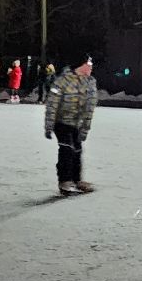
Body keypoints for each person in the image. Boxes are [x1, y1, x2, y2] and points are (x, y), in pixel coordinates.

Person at [43, 57, 98, 197]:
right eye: (89, 64)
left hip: (76, 123)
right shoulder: (62, 81)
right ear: (81, 65)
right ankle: (65, 182)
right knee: (67, 149)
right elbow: (52, 104)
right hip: (61, 122)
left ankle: (76, 180)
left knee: (77, 150)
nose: (91, 67)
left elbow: (89, 108)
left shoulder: (90, 83)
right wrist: (49, 125)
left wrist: (85, 128)